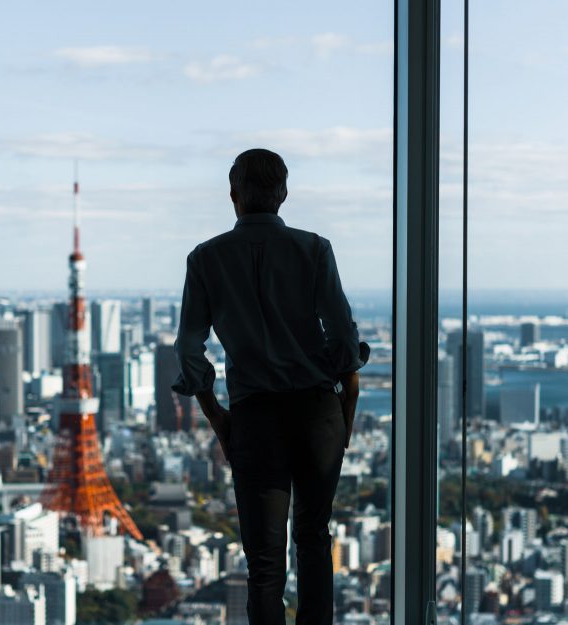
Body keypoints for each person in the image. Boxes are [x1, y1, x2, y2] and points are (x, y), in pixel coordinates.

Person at [171, 148, 368, 625]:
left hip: (255, 417)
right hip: (317, 409)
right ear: (283, 193)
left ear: (234, 197)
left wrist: (217, 415)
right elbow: (342, 336)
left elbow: (187, 347)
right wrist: (348, 398)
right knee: (314, 538)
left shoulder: (205, 259)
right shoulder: (314, 249)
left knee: (264, 560)